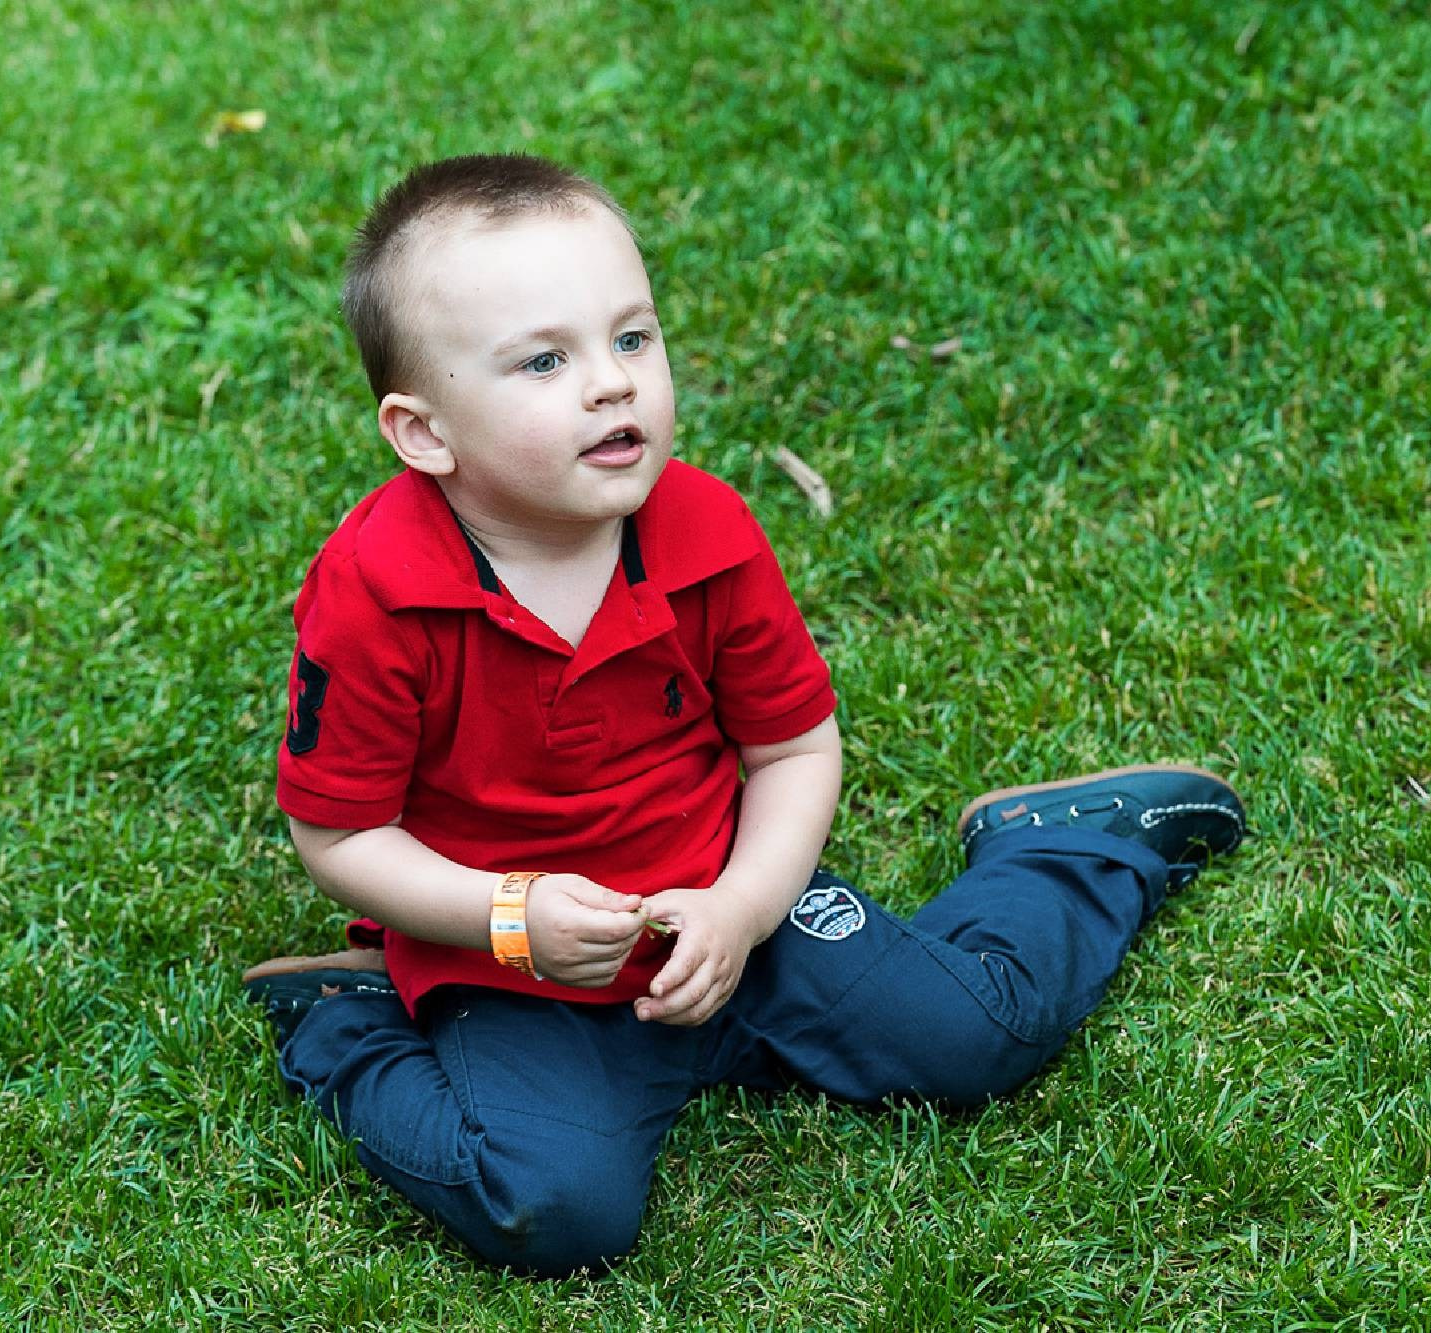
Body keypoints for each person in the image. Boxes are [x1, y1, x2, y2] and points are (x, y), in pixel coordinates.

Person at [243, 153, 1247, 1278]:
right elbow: (339, 834)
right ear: (424, 434)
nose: (612, 384)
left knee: (976, 1038)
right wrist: (505, 917)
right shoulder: (379, 591)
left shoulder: (705, 531)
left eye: (632, 338)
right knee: (558, 1212)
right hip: (510, 961)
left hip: (728, 901)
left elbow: (792, 747)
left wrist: (740, 904)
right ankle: (346, 1022)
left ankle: (1061, 848)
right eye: (543, 360)